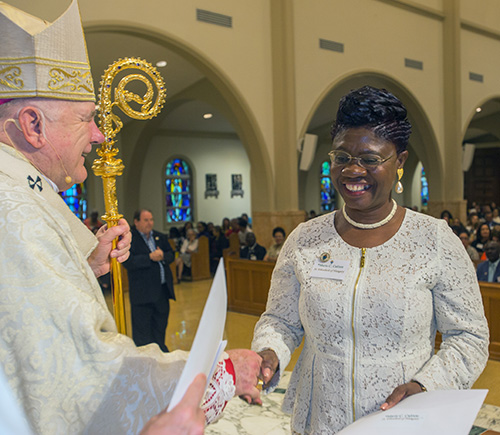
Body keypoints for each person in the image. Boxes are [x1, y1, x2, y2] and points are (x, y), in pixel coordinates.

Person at [0, 2, 263, 433]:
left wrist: (87, 264)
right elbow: (79, 371)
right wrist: (220, 373)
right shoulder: (9, 208)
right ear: (33, 125)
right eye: (86, 119)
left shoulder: (20, 191)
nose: (99, 134)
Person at [251, 86, 489, 434]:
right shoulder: (305, 239)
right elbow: (280, 321)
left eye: (370, 159)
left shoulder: (433, 240)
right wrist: (269, 352)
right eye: (342, 157)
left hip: (402, 419)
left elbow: (468, 336)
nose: (352, 170)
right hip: (322, 419)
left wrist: (427, 385)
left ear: (400, 162)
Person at [123, 209, 175, 352]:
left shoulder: (159, 237)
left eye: (151, 219)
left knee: (160, 327)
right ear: (136, 222)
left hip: (162, 292)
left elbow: (172, 254)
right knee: (143, 334)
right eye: (146, 220)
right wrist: (149, 258)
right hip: (142, 295)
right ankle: (146, 361)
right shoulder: (130, 239)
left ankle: (161, 354)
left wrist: (163, 255)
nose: (150, 223)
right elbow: (128, 261)